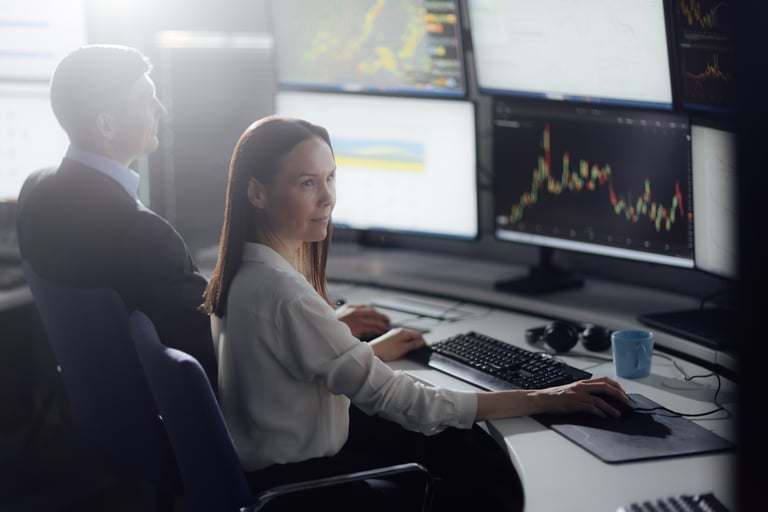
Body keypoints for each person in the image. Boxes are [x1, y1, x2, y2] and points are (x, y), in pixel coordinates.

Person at [201, 115, 629, 511]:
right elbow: (407, 403)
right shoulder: (285, 294)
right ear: (256, 192)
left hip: (271, 481)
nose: (329, 198)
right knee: (484, 478)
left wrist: (364, 351)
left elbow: (290, 367)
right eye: (307, 183)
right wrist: (542, 398)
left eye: (331, 177)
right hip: (308, 492)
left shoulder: (241, 272)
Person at [15, 44, 221, 388]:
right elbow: (214, 348)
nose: (162, 110)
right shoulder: (144, 235)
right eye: (146, 99)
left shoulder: (35, 192)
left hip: (111, 418)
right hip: (183, 426)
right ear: (106, 125)